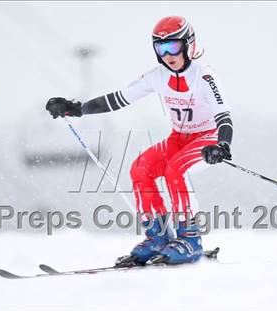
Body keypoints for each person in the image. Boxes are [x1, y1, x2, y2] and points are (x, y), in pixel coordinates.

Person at [46, 16, 233, 265]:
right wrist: (77, 108)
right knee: (140, 168)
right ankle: (158, 236)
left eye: (173, 46)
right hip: (179, 138)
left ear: (188, 44)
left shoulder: (205, 76)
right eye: (160, 48)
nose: (168, 54)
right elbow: (119, 99)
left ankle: (190, 237)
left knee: (174, 170)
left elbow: (224, 115)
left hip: (206, 138)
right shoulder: (157, 76)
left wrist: (222, 144)